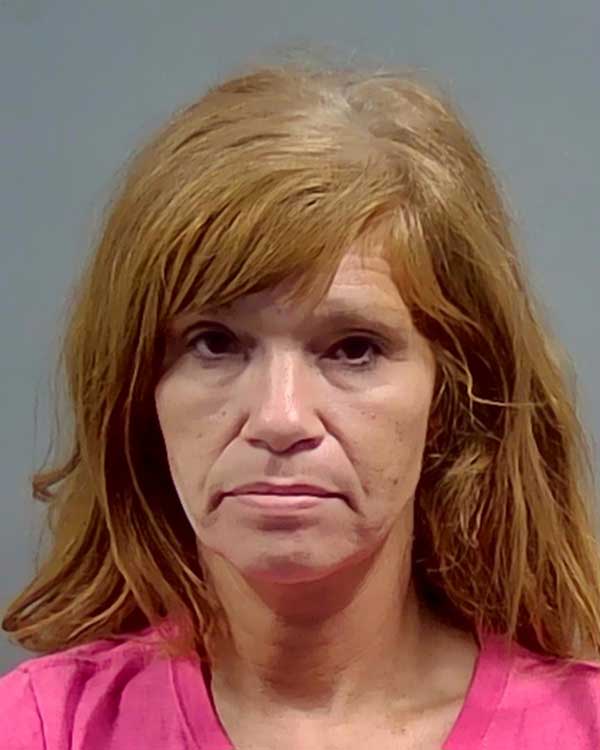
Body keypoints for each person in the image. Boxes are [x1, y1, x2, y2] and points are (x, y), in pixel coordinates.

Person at [1, 59, 600, 750]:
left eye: (353, 349)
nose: (280, 418)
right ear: (140, 392)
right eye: (215, 343)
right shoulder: (45, 729)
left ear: (451, 392)